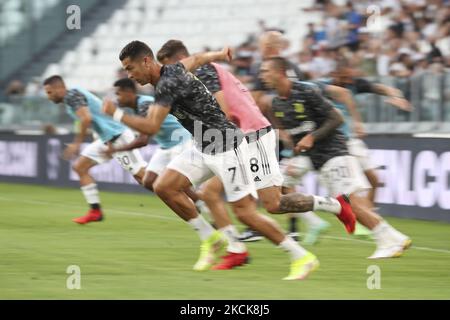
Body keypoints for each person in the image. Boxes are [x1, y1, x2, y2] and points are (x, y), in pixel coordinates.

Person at [102, 40, 354, 279]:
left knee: (249, 212)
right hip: (203, 144)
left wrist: (116, 114)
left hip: (227, 146)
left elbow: (151, 126)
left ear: (146, 61)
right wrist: (220, 54)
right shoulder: (172, 71)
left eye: (130, 68)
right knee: (164, 186)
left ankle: (301, 256)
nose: (130, 75)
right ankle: (212, 238)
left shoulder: (168, 84)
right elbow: (197, 59)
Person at [260, 57, 412, 259]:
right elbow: (299, 135)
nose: (263, 75)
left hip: (335, 153)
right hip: (315, 159)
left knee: (351, 203)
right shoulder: (277, 103)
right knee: (344, 202)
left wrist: (312, 137)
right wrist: (293, 155)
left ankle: (389, 240)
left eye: (266, 71)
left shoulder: (306, 91)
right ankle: (395, 239)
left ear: (280, 72)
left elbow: (336, 118)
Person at [43, 75, 147, 224]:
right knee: (80, 167)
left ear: (60, 88)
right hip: (107, 139)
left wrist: (76, 144)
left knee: (143, 178)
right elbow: (97, 116)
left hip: (118, 137)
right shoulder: (72, 97)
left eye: (49, 92)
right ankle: (95, 211)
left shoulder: (72, 96)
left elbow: (87, 119)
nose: (48, 97)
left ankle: (178, 189)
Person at [104, 78, 198, 203]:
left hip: (181, 142)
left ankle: (200, 205)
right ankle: (190, 204)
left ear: (128, 92)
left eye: (118, 94)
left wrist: (116, 149)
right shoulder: (137, 106)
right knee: (148, 182)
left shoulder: (144, 104)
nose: (116, 98)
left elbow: (143, 140)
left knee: (175, 183)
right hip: (166, 146)